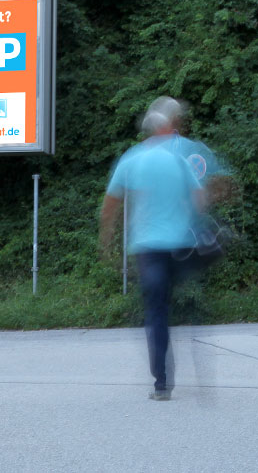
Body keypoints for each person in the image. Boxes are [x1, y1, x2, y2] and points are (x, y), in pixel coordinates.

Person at [98, 96, 208, 401]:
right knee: (177, 300)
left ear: (147, 131)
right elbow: (199, 201)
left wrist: (106, 241)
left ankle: (162, 383)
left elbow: (110, 206)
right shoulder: (178, 160)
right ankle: (193, 317)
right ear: (167, 129)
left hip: (149, 249)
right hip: (181, 248)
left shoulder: (131, 159)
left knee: (156, 312)